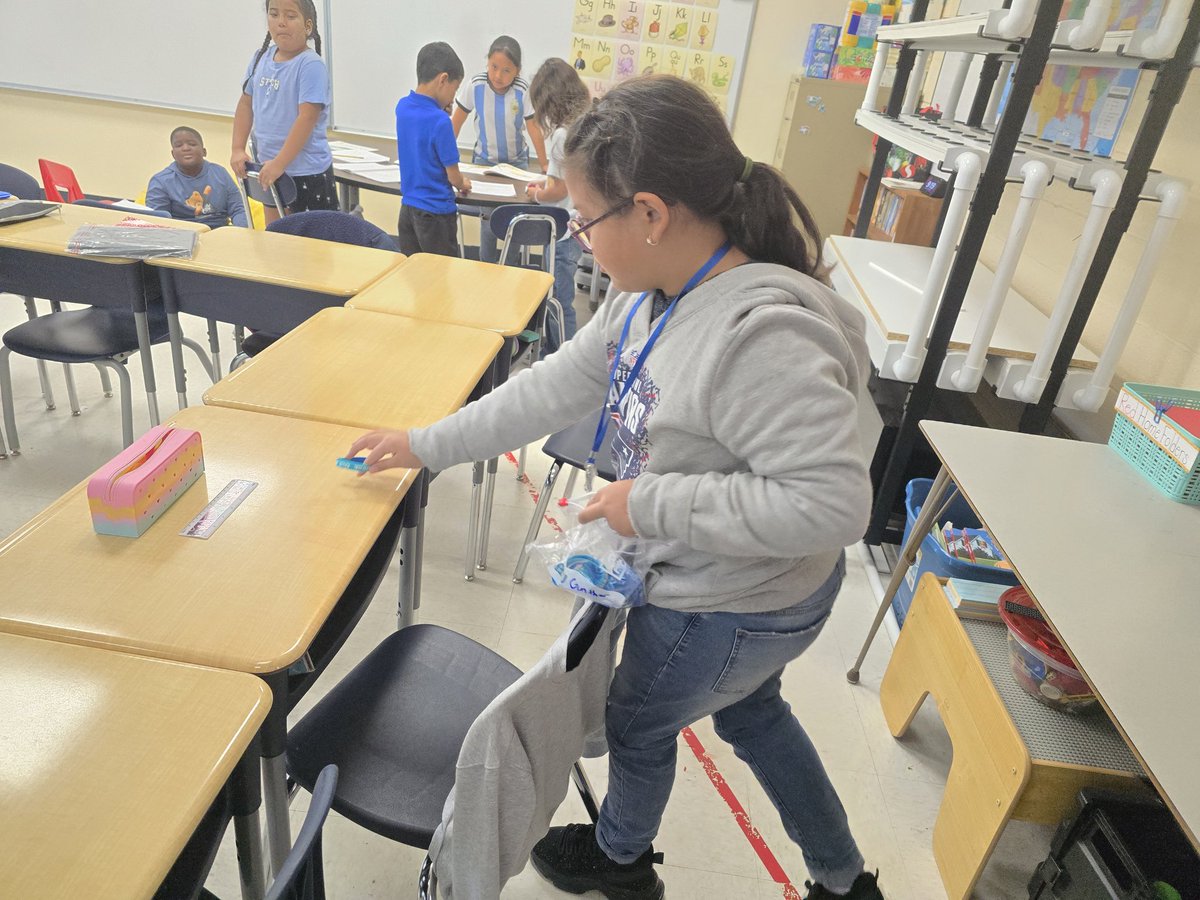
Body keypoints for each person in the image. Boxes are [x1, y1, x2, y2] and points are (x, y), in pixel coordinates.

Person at [347, 75, 886, 900]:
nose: (577, 234)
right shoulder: (650, 299)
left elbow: (833, 507)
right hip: (744, 580)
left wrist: (650, 502)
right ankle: (844, 880)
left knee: (637, 723)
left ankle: (622, 862)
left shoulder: (758, 335)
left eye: (585, 217)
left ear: (650, 213)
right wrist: (423, 445)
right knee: (751, 713)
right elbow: (548, 388)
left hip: (741, 595)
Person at [231, 0, 336, 222]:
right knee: (276, 240)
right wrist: (237, 148)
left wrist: (280, 163)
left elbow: (307, 118)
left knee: (311, 247)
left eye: (290, 16)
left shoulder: (310, 65)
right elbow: (245, 103)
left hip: (305, 172)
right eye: (274, 14)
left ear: (308, 26)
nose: (281, 23)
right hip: (269, 170)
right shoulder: (261, 57)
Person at [451, 35, 547, 263]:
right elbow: (456, 122)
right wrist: (446, 157)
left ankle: (509, 268)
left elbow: (534, 128)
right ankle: (486, 267)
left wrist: (545, 164)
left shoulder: (523, 91)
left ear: (517, 71)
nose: (498, 76)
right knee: (488, 220)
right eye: (494, 67)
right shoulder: (476, 86)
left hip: (516, 164)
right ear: (487, 63)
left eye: (506, 70)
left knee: (514, 221)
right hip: (485, 162)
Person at [524, 58, 592, 356]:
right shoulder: (584, 124)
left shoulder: (561, 136)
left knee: (559, 299)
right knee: (564, 296)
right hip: (579, 225)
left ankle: (562, 354)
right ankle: (555, 351)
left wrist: (538, 194)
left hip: (562, 231)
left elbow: (558, 189)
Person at [394, 42, 473, 257]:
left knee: (415, 276)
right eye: (455, 89)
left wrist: (439, 108)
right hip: (436, 215)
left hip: (408, 211)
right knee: (441, 280)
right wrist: (463, 183)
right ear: (443, 79)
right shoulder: (440, 122)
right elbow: (453, 176)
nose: (453, 97)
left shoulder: (402, 108)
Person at [146, 127, 248, 228]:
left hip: (219, 232)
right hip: (181, 234)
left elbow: (239, 209)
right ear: (173, 154)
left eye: (192, 144)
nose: (186, 148)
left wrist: (240, 233)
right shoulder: (160, 181)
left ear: (204, 152)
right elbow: (157, 222)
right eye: (178, 145)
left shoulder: (220, 173)